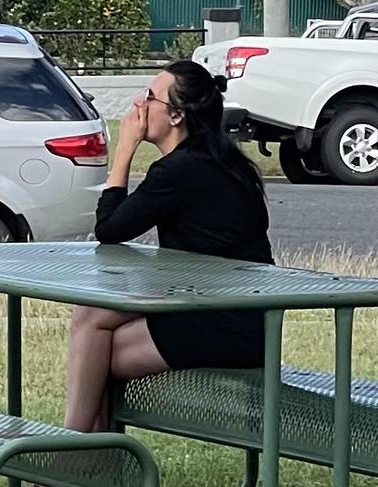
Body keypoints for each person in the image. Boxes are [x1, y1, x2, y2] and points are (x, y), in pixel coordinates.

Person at [65, 60, 274, 433]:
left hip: (225, 322)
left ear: (176, 115)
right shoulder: (222, 162)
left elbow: (110, 229)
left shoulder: (180, 171)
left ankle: (73, 447)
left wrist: (125, 148)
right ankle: (87, 454)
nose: (139, 106)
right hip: (232, 312)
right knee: (91, 324)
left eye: (149, 97)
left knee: (95, 349)